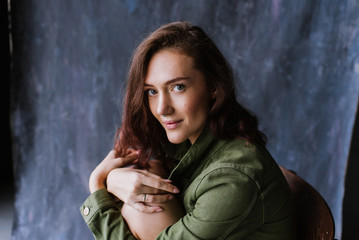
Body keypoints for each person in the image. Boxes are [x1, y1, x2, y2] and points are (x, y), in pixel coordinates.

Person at [80, 21, 296, 240]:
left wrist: (97, 186)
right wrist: (114, 178)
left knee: (144, 207)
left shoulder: (234, 179)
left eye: (178, 87)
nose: (162, 108)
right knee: (147, 190)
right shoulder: (193, 146)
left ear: (213, 86)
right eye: (152, 91)